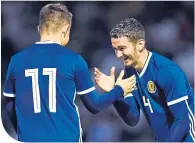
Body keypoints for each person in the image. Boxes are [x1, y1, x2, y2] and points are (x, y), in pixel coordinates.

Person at [2, 4, 137, 142]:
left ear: (39, 29)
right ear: (66, 30)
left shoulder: (17, 60)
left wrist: (23, 130)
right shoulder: (74, 60)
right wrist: (119, 90)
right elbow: (94, 105)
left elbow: (8, 106)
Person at [94, 18, 194, 142]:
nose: (118, 55)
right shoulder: (130, 72)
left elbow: (183, 121)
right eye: (115, 49)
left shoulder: (166, 71)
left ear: (140, 44)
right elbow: (133, 119)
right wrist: (115, 93)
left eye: (122, 48)